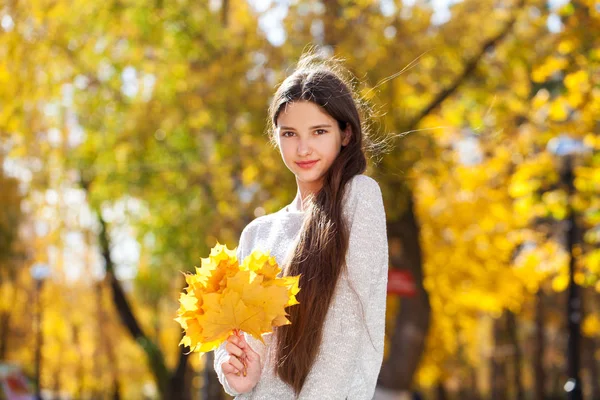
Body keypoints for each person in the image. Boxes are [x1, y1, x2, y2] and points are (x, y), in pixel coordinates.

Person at [214, 51, 389, 399]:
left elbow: (358, 332)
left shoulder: (358, 200)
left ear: (346, 134)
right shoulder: (256, 235)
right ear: (275, 136)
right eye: (290, 133)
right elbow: (244, 351)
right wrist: (232, 372)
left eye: (319, 131)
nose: (304, 147)